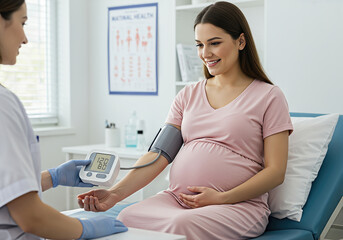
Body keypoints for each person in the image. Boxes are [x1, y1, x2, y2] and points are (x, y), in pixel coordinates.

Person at [78, 1, 293, 239]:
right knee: (127, 218)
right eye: (200, 45)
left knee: (182, 224)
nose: (205, 53)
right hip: (177, 199)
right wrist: (115, 194)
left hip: (238, 206)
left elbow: (275, 171)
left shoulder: (269, 96)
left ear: (240, 41)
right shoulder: (188, 95)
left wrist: (221, 197)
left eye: (215, 43)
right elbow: (159, 155)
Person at [0, 1, 128, 239]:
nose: (25, 38)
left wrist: (53, 177)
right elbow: (31, 217)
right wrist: (85, 229)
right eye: (22, 23)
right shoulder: (3, 104)